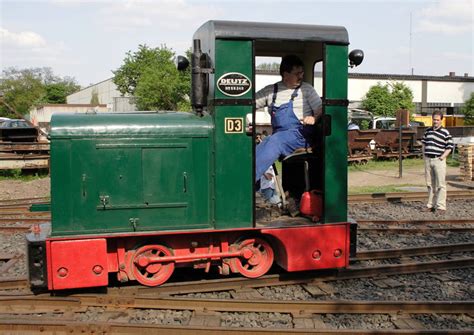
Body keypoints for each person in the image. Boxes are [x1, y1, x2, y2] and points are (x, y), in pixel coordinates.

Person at [255, 55, 322, 180]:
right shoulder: (270, 91)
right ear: (285, 74)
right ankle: (253, 183)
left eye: (302, 73)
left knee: (275, 141)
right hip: (279, 135)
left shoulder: (307, 89)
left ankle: (246, 182)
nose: (301, 76)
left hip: (301, 135)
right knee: (260, 145)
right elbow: (249, 104)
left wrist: (314, 117)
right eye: (297, 74)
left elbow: (321, 108)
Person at [421, 111, 453, 214]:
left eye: (437, 120)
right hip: (428, 160)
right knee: (430, 184)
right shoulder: (427, 131)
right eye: (434, 119)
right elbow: (424, 144)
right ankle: (430, 205)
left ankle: (441, 206)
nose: (435, 121)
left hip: (439, 160)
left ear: (441, 120)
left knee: (441, 184)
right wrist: (424, 155)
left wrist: (442, 157)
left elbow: (449, 147)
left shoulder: (445, 132)